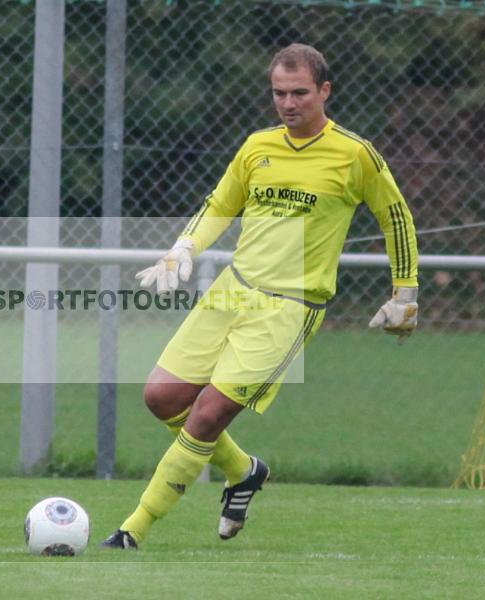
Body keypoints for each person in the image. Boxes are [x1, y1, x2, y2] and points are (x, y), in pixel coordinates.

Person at [102, 43, 419, 550]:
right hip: (234, 290)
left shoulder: (354, 154)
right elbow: (218, 205)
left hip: (289, 309)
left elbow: (395, 216)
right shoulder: (257, 147)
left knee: (208, 413)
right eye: (279, 93)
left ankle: (133, 529)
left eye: (299, 93)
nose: (288, 103)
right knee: (162, 397)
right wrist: (182, 248)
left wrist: (406, 291)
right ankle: (245, 472)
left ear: (324, 92)